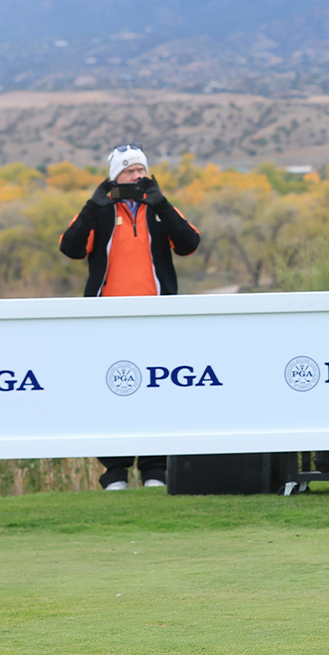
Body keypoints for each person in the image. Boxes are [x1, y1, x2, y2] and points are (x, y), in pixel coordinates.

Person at [59, 143, 200, 491]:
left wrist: (162, 204)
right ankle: (115, 472)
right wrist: (93, 205)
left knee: (157, 388)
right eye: (128, 171)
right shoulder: (101, 212)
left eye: (140, 170)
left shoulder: (158, 208)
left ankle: (155, 469)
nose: (137, 176)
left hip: (157, 318)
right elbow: (71, 248)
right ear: (114, 178)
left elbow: (189, 243)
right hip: (107, 320)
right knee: (112, 389)